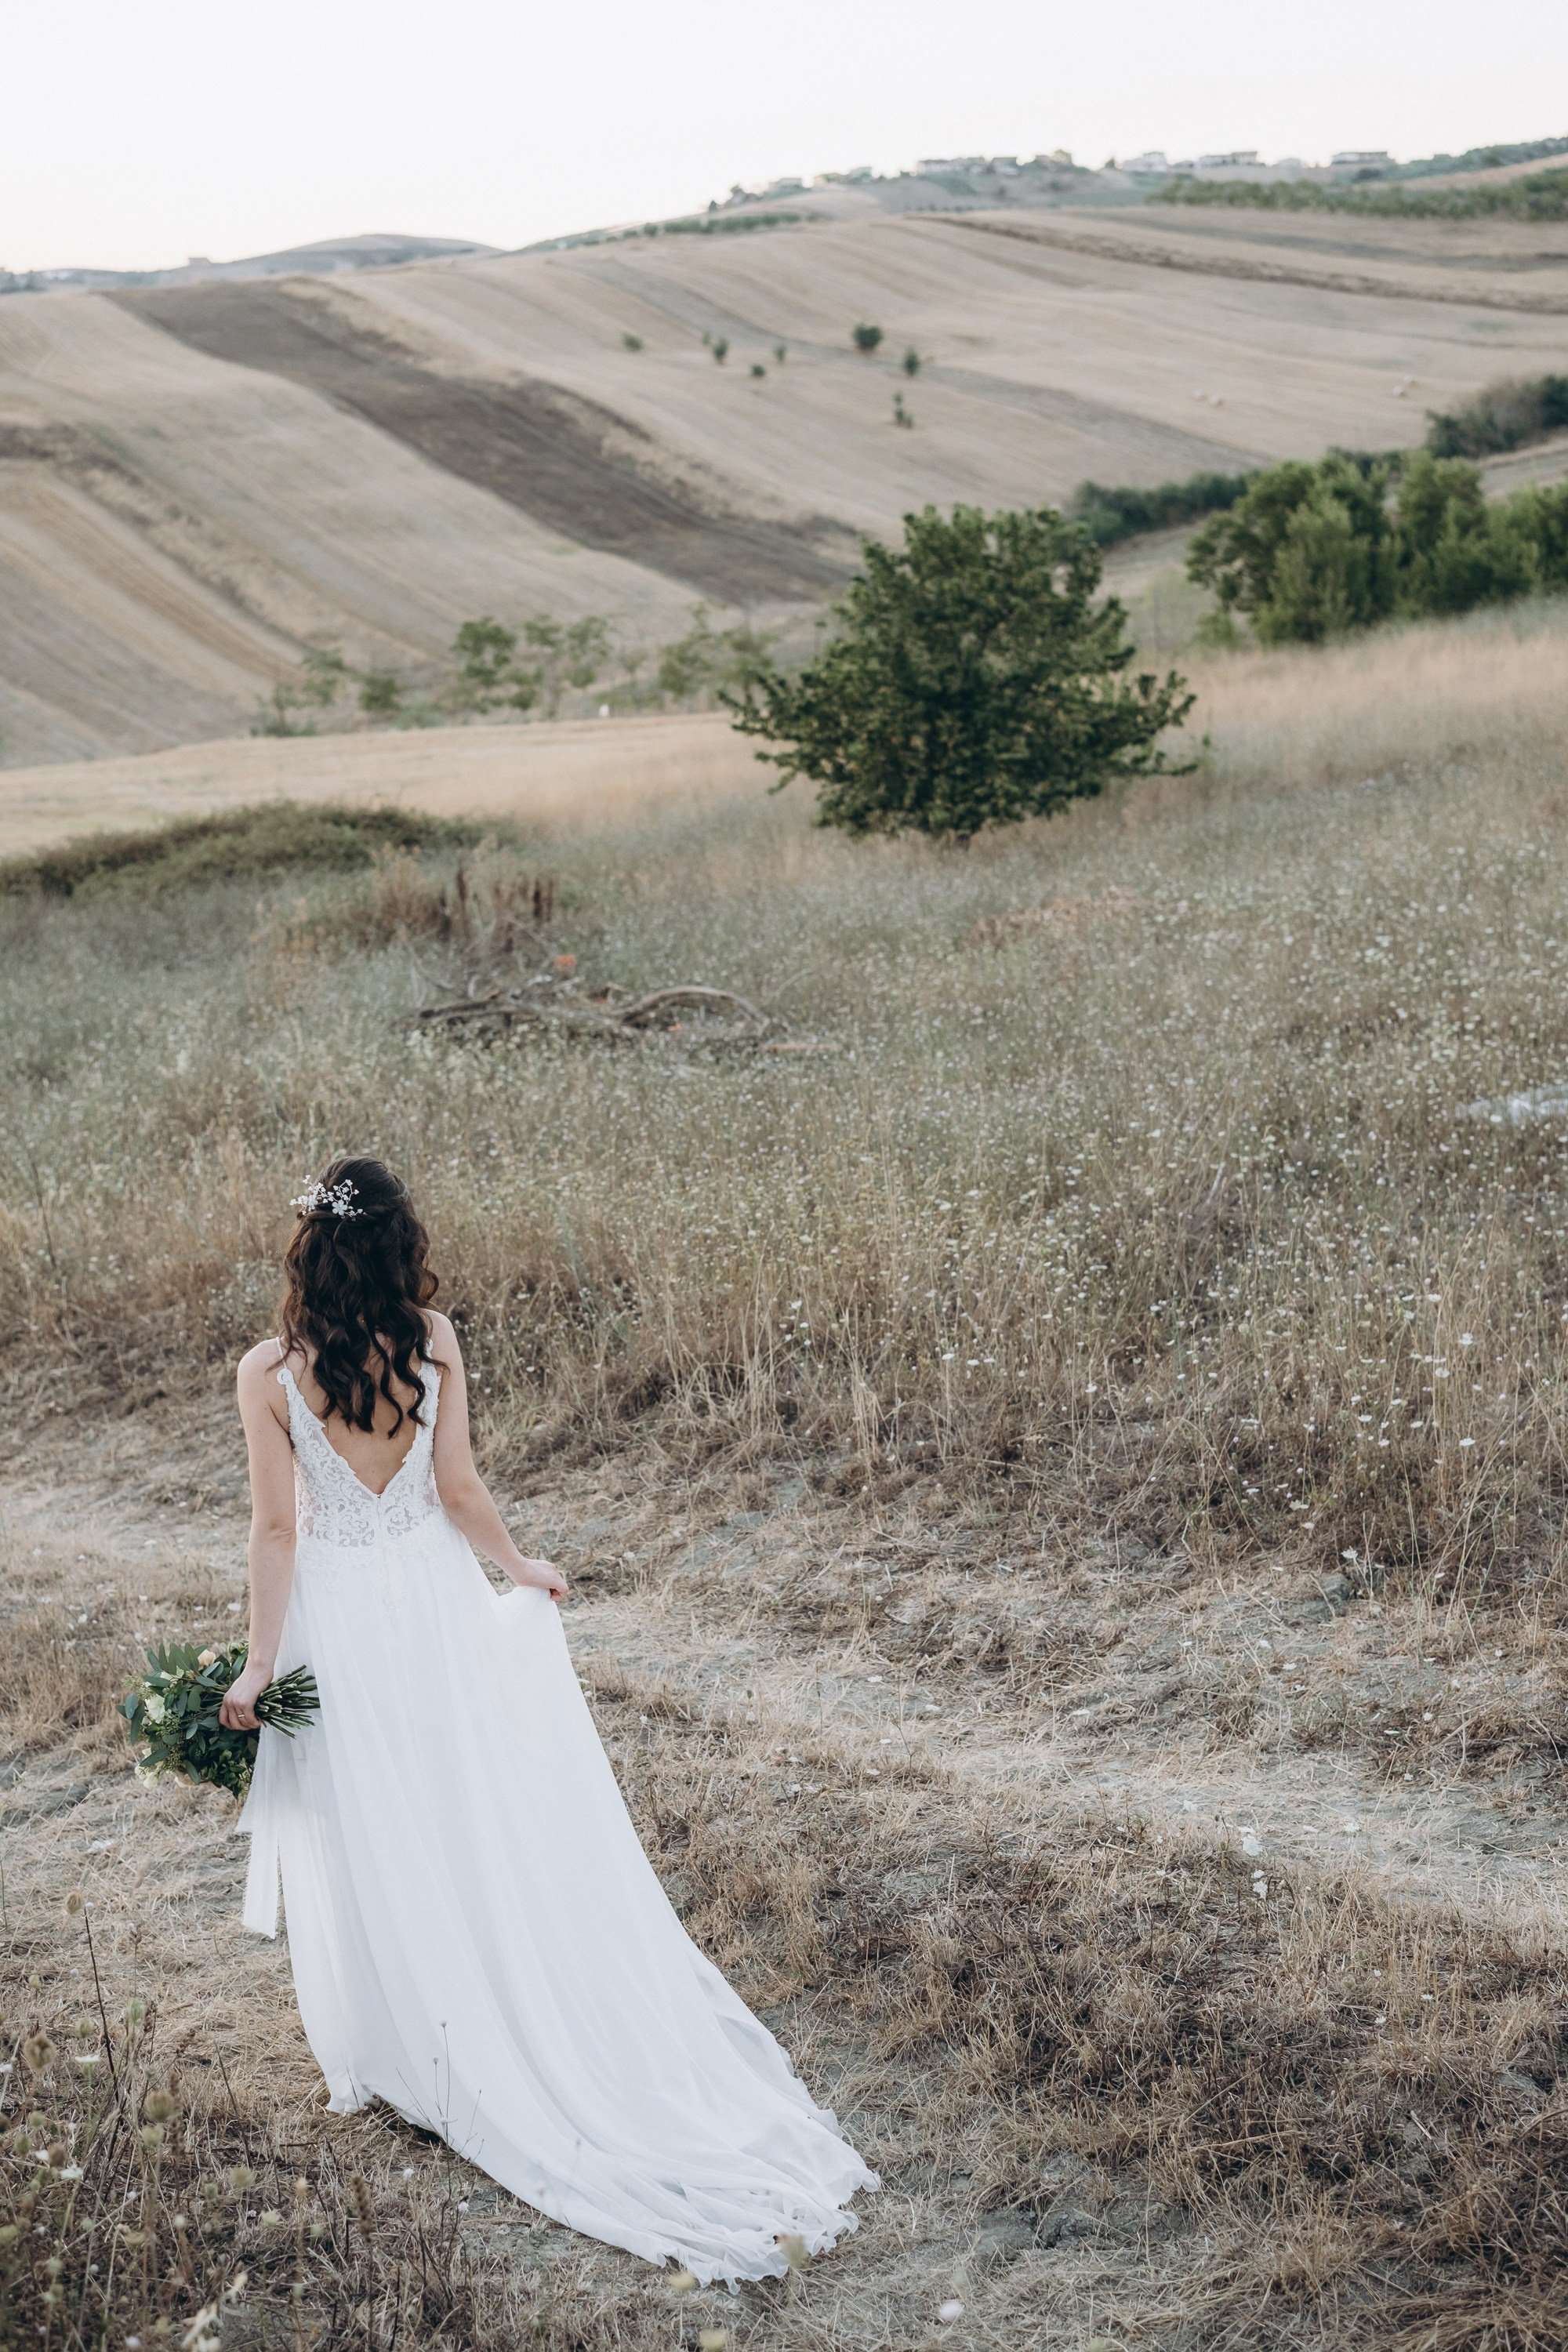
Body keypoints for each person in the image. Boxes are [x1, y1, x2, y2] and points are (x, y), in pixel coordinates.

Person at [221, 1154, 874, 2283]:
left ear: (309, 1248)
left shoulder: (270, 1374)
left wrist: (258, 1665)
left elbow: (277, 1536)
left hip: (341, 1619)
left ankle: (414, 2039)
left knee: (373, 1825)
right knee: (463, 1802)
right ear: (398, 1242)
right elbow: (461, 1488)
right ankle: (468, 2004)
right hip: (432, 1599)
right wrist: (518, 1568)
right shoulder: (434, 1337)